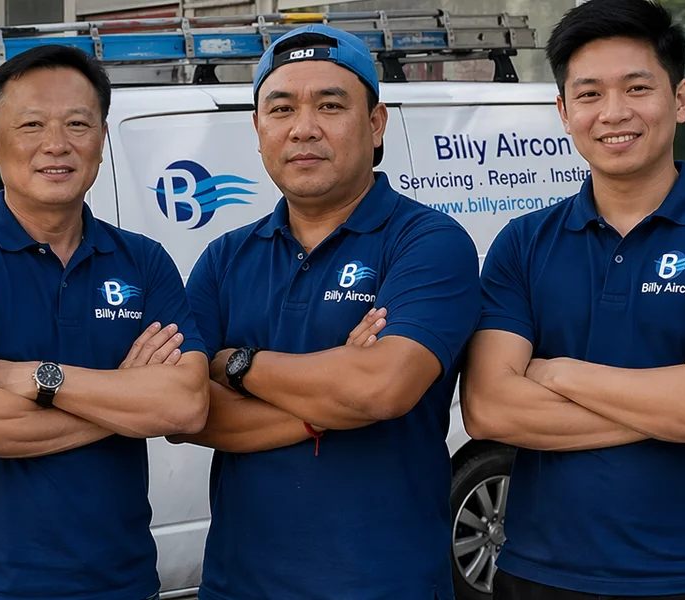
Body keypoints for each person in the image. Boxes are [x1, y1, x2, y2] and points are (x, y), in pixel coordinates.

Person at [458, 1, 685, 598]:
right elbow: (489, 409)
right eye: (589, 94)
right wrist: (677, 405)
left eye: (637, 88)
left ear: (681, 99)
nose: (614, 112)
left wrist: (558, 372)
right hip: (535, 574)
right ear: (564, 111)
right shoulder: (524, 243)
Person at [168, 24, 480, 599]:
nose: (303, 127)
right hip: (238, 586)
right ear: (258, 129)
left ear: (376, 123)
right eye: (281, 108)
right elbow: (184, 412)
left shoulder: (429, 242)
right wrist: (331, 403)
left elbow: (382, 388)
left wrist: (236, 364)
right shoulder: (224, 258)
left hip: (384, 585)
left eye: (330, 105)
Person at [0, 44, 207, 600]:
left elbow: (186, 407)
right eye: (32, 124)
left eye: (77, 124)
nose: (57, 144)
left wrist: (42, 378)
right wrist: (126, 401)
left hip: (122, 581)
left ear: (102, 138)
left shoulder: (144, 261)